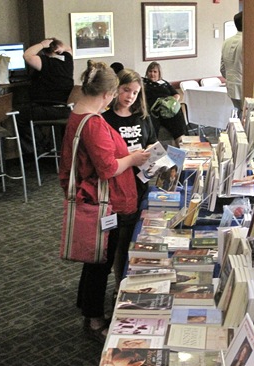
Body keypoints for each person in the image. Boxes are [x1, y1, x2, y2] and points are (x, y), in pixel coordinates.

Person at [59, 60, 150, 343]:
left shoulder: (77, 115)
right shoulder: (94, 123)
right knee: (102, 259)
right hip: (105, 201)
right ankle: (95, 318)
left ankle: (88, 307)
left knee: (96, 256)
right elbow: (108, 168)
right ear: (107, 94)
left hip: (98, 198)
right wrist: (133, 159)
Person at [102, 68, 157, 297]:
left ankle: (133, 280)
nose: (130, 97)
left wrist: (149, 156)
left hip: (141, 183)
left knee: (139, 237)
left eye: (135, 93)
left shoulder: (143, 118)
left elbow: (153, 144)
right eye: (126, 90)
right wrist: (130, 158)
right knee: (119, 242)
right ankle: (118, 285)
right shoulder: (105, 120)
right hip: (117, 188)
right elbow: (105, 157)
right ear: (116, 90)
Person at [17, 38, 74, 154]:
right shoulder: (68, 61)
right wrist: (61, 47)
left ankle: (40, 148)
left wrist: (41, 44)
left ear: (44, 52)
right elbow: (68, 49)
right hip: (65, 109)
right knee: (28, 111)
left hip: (49, 109)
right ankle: (44, 144)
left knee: (21, 115)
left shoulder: (46, 62)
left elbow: (27, 55)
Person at [143, 61, 187, 146]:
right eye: (150, 71)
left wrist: (171, 103)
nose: (152, 74)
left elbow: (176, 94)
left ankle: (180, 144)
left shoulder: (164, 83)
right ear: (147, 73)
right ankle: (153, 146)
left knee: (177, 113)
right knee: (151, 119)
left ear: (159, 73)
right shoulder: (144, 83)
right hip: (153, 110)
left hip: (167, 109)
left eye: (155, 72)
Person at [220, 11, 243, 113]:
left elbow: (222, 68)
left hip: (231, 85)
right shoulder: (248, 42)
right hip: (244, 85)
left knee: (239, 113)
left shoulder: (226, 42)